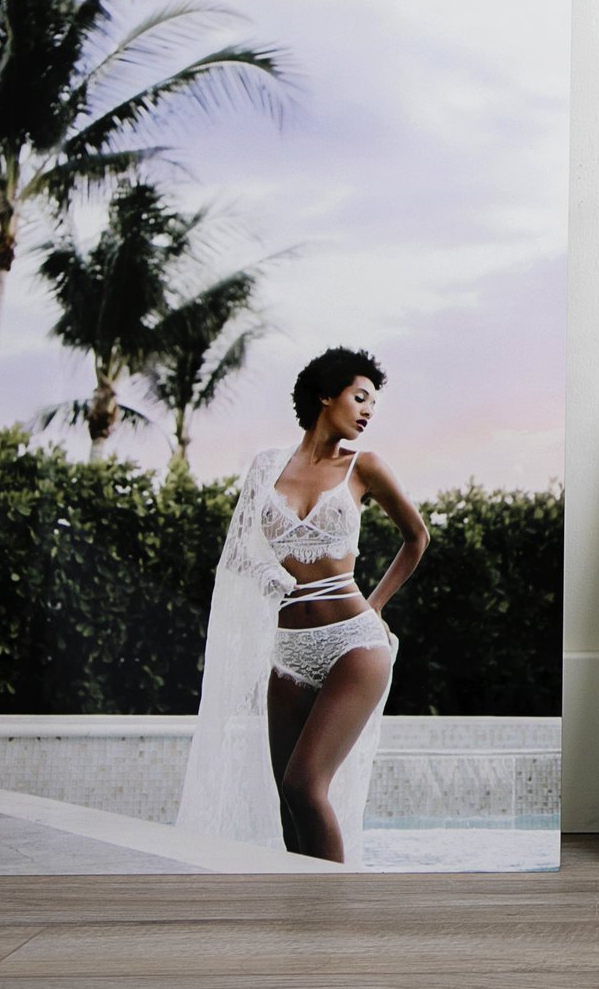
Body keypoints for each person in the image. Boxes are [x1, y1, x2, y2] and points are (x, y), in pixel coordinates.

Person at [178, 347, 429, 865]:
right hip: (288, 650)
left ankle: (335, 913)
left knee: (304, 785)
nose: (366, 412)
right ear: (324, 395)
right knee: (286, 802)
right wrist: (272, 575)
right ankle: (304, 920)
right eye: (360, 398)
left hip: (353, 644)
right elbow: (240, 554)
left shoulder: (365, 467)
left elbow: (416, 538)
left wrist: (376, 608)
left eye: (373, 406)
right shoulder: (267, 468)